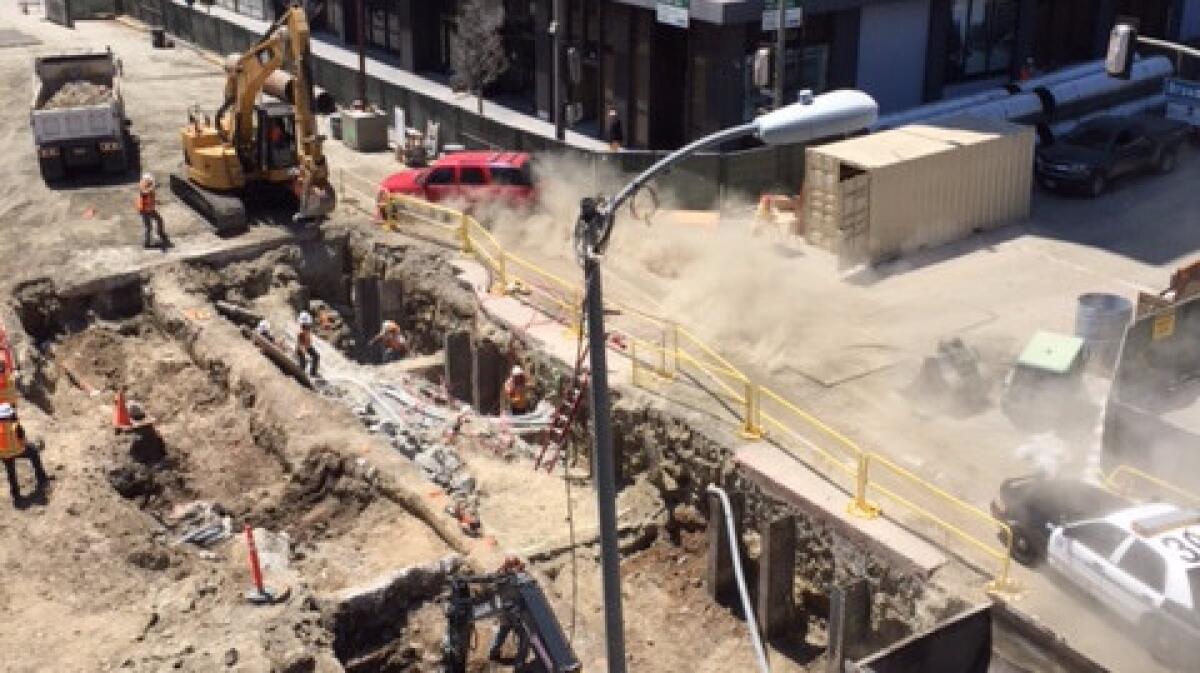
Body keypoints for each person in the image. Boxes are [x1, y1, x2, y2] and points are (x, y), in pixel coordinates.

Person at [0, 403, 49, 507]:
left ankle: (16, 497)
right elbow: (23, 440)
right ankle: (42, 478)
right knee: (34, 452)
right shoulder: (15, 425)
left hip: (4, 454)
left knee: (11, 473)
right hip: (17, 450)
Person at [136, 173, 168, 249]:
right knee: (148, 227)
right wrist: (153, 187)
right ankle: (146, 243)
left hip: (150, 209)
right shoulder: (142, 186)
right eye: (150, 181)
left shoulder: (149, 186)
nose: (151, 182)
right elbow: (144, 192)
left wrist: (157, 201)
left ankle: (160, 233)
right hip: (144, 210)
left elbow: (150, 197)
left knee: (159, 220)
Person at [295, 311, 320, 378]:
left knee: (316, 356)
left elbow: (308, 340)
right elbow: (300, 345)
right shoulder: (301, 333)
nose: (309, 327)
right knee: (304, 362)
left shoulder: (307, 329)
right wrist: (304, 353)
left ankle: (313, 373)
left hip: (307, 347)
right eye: (307, 326)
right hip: (301, 349)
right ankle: (300, 374)